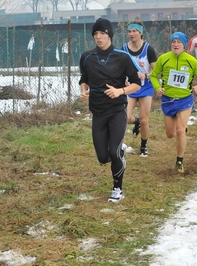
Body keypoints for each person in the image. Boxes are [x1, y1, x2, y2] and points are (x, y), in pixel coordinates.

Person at [79, 18, 141, 202]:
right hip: (97, 111)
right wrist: (84, 92)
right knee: (102, 157)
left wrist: (120, 91)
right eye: (96, 34)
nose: (98, 37)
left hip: (117, 110)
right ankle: (119, 151)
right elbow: (84, 79)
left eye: (102, 34)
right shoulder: (87, 57)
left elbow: (137, 84)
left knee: (113, 152)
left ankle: (117, 189)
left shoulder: (122, 57)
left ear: (110, 36)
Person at [150, 32, 197, 173]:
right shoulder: (163, 58)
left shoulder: (191, 61)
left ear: (184, 44)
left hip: (185, 100)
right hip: (168, 100)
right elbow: (153, 76)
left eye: (179, 42)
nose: (175, 44)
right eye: (173, 42)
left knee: (180, 130)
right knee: (170, 134)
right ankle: (181, 127)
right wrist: (158, 88)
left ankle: (179, 161)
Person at [122, 19, 157, 157]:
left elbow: (156, 69)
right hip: (130, 88)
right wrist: (122, 80)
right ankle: (135, 122)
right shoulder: (124, 49)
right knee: (125, 118)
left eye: (134, 31)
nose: (131, 34)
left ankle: (144, 146)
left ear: (140, 33)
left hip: (145, 88)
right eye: (129, 31)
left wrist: (147, 75)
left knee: (144, 119)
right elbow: (120, 67)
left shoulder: (148, 49)